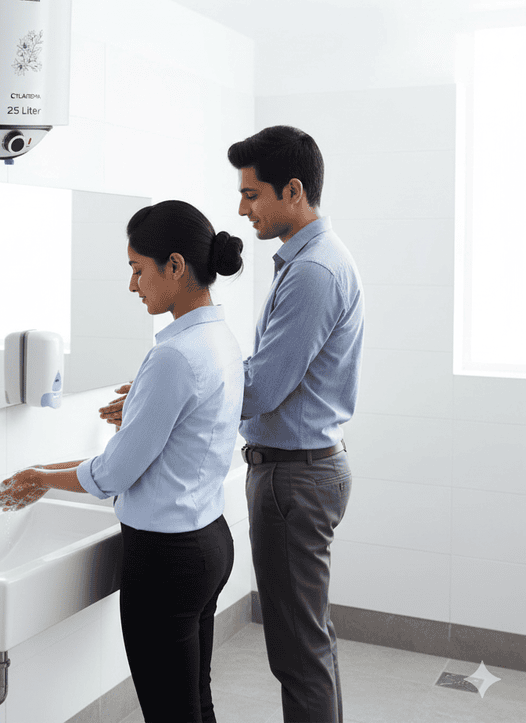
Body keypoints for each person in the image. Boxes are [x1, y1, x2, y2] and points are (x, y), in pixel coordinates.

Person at [99, 126, 364, 723]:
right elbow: (253, 378)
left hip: (294, 479)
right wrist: (159, 397)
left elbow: (263, 387)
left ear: (292, 192)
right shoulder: (308, 262)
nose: (241, 210)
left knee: (298, 653)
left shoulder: (315, 273)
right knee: (305, 644)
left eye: (251, 195)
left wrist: (167, 398)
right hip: (296, 473)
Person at [0, 200, 245, 723]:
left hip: (167, 560)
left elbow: (113, 474)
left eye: (137, 269)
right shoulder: (218, 337)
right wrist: (140, 409)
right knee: (195, 701)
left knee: (170, 712)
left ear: (174, 266)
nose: (133, 286)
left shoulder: (172, 355)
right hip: (211, 541)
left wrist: (42, 478)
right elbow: (181, 435)